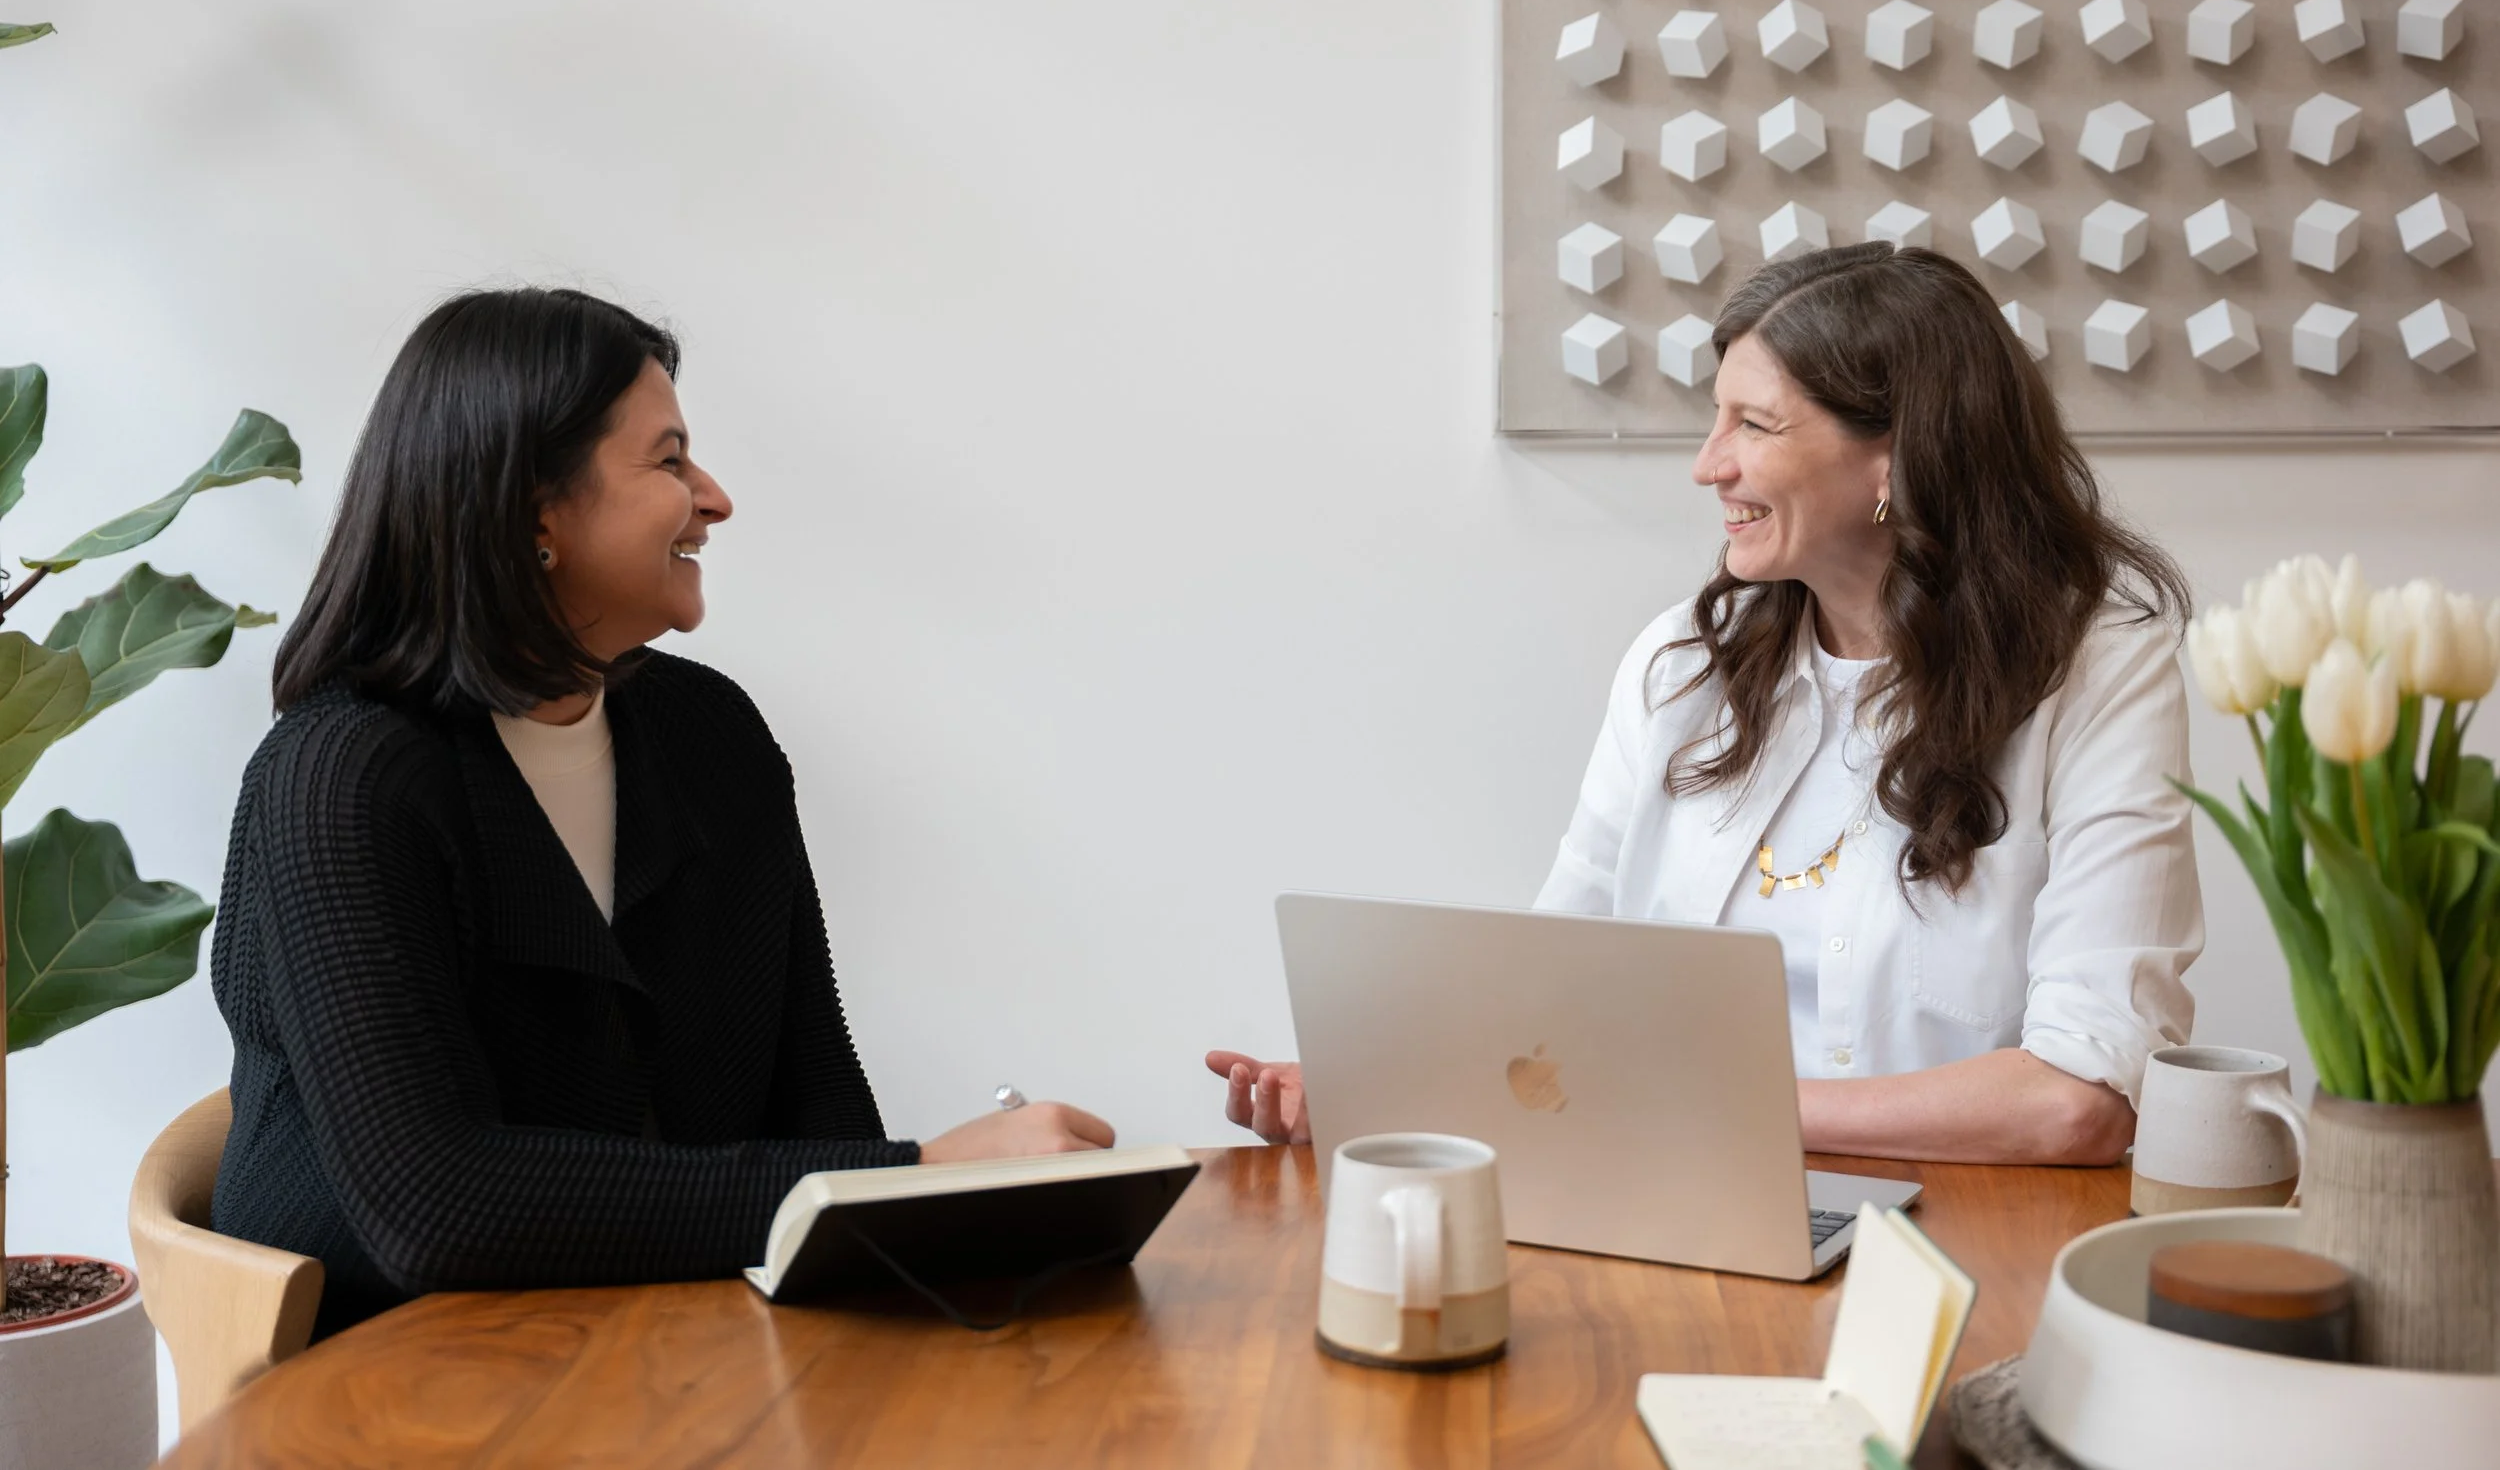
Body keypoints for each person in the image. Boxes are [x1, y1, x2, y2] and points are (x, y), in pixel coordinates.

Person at [213, 287, 1112, 1337]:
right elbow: (437, 1205)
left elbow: (813, 1097)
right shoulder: (340, 779)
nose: (715, 498)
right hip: (393, 1379)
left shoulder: (711, 736)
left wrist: (950, 1216)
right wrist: (908, 1175)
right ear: (532, 509)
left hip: (669, 1340)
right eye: (669, 460)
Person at [1209, 243, 2202, 1166]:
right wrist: (1388, 1086)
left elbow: (2080, 1096)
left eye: (1753, 424)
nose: (1707, 462)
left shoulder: (2100, 676)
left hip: (1961, 1246)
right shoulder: (1680, 666)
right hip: (1674, 1197)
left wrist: (1723, 1104)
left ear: (1895, 459)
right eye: (1715, 418)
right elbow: (1554, 985)